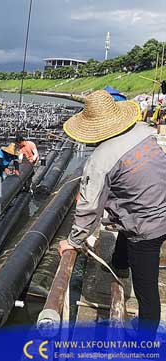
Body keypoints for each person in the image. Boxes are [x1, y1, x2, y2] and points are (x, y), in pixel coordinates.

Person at [58, 90, 166, 338]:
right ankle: (119, 264)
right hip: (159, 206)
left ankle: (145, 337)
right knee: (128, 231)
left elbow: (88, 209)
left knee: (146, 288)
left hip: (148, 226)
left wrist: (73, 241)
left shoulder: (101, 159)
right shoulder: (142, 132)